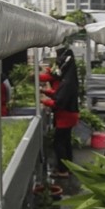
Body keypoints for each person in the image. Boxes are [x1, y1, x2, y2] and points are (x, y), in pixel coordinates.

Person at [41, 46, 79, 177]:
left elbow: (59, 102)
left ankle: (63, 171)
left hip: (66, 116)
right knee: (66, 141)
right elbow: (59, 95)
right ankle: (69, 167)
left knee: (59, 143)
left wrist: (43, 101)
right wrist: (46, 92)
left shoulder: (67, 82)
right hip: (70, 115)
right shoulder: (69, 78)